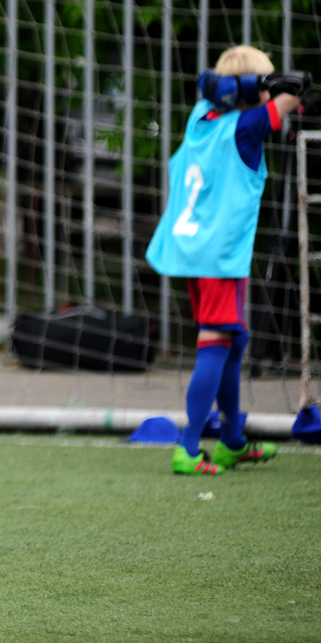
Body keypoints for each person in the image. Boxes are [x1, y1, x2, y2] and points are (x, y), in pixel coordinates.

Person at [146, 45, 300, 475]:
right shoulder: (246, 126)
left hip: (193, 251)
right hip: (218, 256)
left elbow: (212, 90)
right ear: (250, 89)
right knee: (215, 341)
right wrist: (268, 87)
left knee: (235, 338)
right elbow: (295, 90)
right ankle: (188, 448)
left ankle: (232, 441)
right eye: (262, 85)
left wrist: (239, 85)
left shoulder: (201, 117)